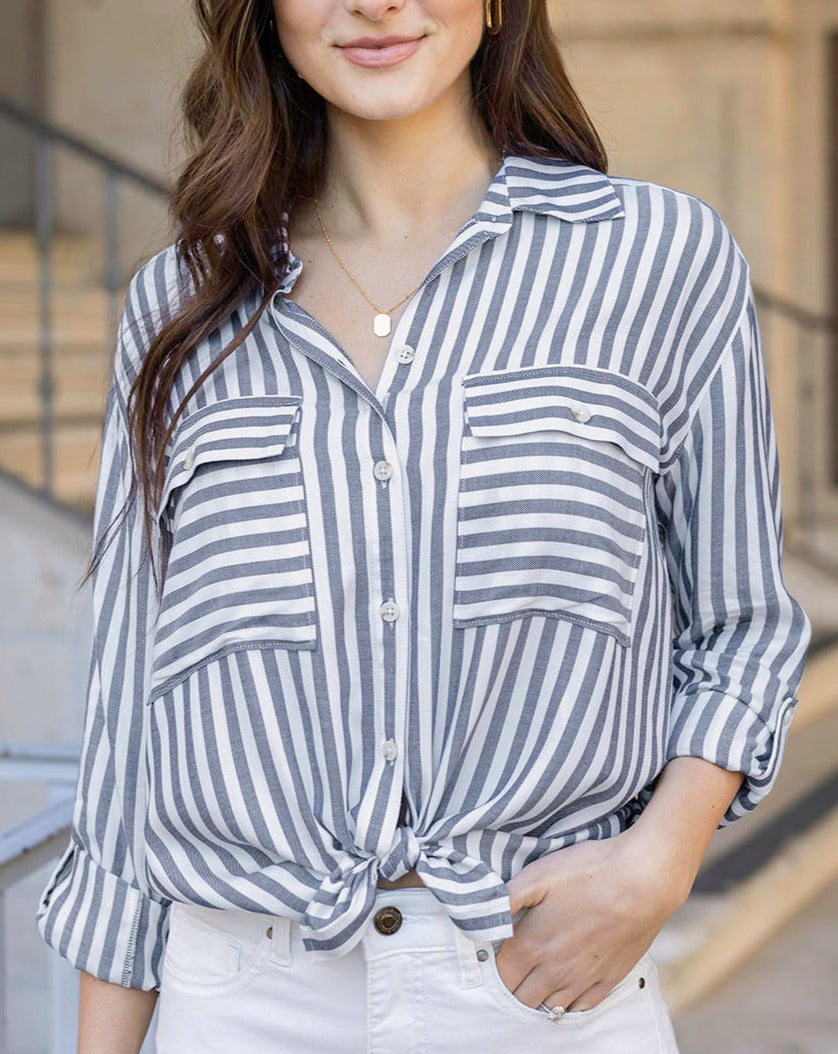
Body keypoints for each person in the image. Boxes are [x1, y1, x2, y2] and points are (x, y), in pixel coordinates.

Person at [35, 0, 812, 1051]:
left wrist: (658, 865)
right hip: (242, 993)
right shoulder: (181, 306)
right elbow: (131, 722)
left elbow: (742, 628)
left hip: (540, 984)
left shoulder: (656, 260)